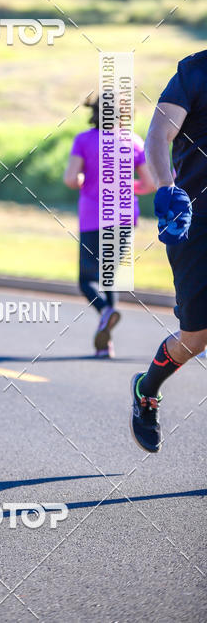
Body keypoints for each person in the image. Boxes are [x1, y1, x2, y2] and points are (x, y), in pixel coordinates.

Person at [130, 50, 206, 453]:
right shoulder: (194, 72)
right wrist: (166, 188)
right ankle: (147, 389)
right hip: (193, 221)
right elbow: (158, 135)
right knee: (195, 338)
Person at [64, 96, 154, 357]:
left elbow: (71, 178)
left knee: (87, 280)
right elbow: (149, 184)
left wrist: (82, 179)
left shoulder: (83, 140)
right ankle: (106, 344)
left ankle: (105, 312)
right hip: (125, 216)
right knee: (109, 276)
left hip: (94, 217)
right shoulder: (133, 141)